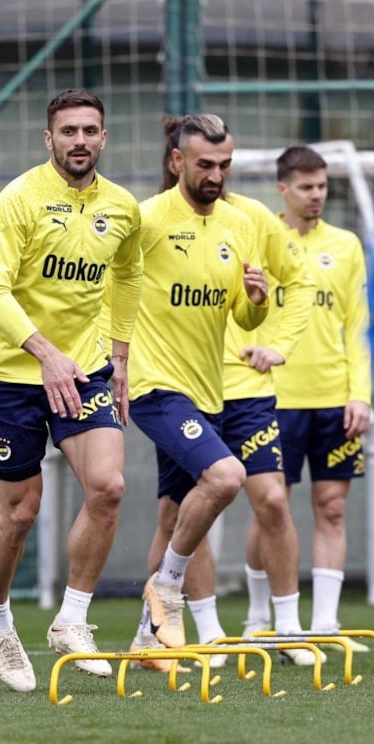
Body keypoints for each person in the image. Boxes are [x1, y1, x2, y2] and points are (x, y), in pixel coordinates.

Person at [128, 118, 317, 670]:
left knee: (181, 512)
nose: (216, 175)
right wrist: (109, 361)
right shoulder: (146, 219)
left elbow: (247, 310)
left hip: (218, 390)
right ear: (177, 162)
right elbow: (109, 286)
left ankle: (149, 641)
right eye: (205, 164)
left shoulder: (242, 222)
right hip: (158, 386)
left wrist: (259, 306)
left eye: (224, 165)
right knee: (225, 478)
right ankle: (178, 599)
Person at [0, 88, 144, 692]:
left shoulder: (122, 207)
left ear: (104, 138)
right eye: (68, 131)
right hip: (13, 374)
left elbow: (128, 274)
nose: (79, 141)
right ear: (49, 139)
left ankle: (71, 620)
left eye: (89, 130)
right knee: (21, 512)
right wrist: (45, 354)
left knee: (109, 485)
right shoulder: (19, 198)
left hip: (85, 369)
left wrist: (119, 357)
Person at [244, 145, 371, 652]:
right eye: (306, 187)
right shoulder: (260, 241)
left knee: (332, 508)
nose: (316, 195)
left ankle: (325, 627)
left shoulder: (346, 245)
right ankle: (259, 619)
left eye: (321, 186)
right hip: (271, 399)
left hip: (334, 399)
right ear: (283, 189)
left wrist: (360, 395)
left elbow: (357, 328)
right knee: (272, 508)